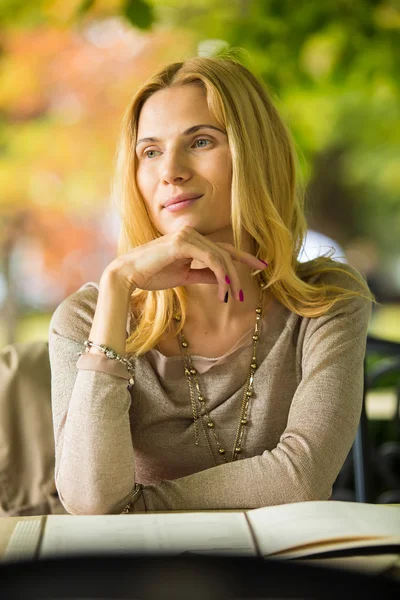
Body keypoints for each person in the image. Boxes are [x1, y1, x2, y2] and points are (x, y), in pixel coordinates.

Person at [49, 55, 375, 515]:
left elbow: (302, 479)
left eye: (200, 141)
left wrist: (132, 508)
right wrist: (118, 285)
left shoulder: (328, 301)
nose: (171, 171)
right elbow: (89, 499)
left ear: (256, 155)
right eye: (151, 151)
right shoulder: (88, 316)